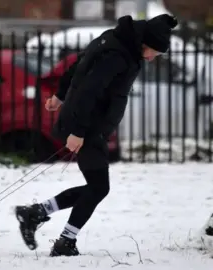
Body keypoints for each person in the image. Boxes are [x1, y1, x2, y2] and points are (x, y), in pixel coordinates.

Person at [15, 14, 178, 257]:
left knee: (96, 186)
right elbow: (90, 91)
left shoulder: (112, 40)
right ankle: (64, 240)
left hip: (88, 124)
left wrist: (60, 96)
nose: (154, 57)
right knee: (99, 187)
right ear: (144, 42)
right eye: (154, 51)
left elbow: (77, 65)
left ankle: (37, 213)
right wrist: (78, 131)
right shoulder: (118, 55)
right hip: (87, 125)